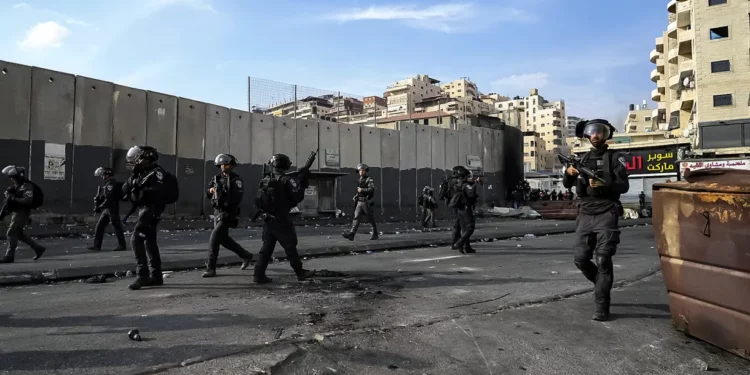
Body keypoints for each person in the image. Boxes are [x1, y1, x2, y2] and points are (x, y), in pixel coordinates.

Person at [563, 119, 629, 321]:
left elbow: (623, 186)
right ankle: (601, 285)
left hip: (606, 211)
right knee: (581, 259)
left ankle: (602, 305)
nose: (595, 136)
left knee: (603, 260)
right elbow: (567, 184)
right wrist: (569, 173)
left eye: (600, 132)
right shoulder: (581, 160)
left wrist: (603, 183)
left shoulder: (615, 158)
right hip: (585, 212)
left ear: (606, 135)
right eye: (591, 132)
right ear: (586, 135)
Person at [253, 154, 315, 283]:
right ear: (285, 165)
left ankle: (258, 274)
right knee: (290, 246)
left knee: (267, 247)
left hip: (267, 218)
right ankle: (300, 272)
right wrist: (303, 181)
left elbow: (258, 200)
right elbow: (297, 198)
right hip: (281, 219)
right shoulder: (286, 180)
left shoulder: (265, 179)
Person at [122, 145, 173, 290]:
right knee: (149, 242)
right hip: (144, 210)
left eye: (139, 158)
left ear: (148, 158)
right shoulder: (141, 173)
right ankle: (156, 276)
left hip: (152, 210)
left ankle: (142, 275)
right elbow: (124, 190)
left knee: (136, 238)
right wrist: (134, 176)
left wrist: (141, 189)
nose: (137, 161)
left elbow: (157, 192)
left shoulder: (157, 173)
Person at [203, 154, 253, 278]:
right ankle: (245, 255)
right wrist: (211, 191)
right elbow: (207, 193)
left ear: (231, 165)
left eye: (226, 164)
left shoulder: (236, 180)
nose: (224, 167)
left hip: (228, 213)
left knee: (214, 239)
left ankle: (211, 268)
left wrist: (224, 194)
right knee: (223, 239)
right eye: (222, 165)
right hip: (217, 212)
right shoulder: (216, 178)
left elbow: (236, 198)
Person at [0, 165, 46, 263]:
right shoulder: (18, 186)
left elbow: (27, 200)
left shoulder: (27, 186)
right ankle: (38, 248)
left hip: (22, 212)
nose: (12, 180)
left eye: (13, 178)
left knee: (11, 232)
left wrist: (12, 198)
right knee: (18, 233)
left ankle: (9, 256)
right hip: (17, 211)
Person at [88, 167, 127, 252]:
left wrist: (100, 206)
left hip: (112, 209)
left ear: (107, 175)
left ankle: (122, 245)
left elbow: (109, 199)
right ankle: (97, 245)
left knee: (117, 227)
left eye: (103, 175)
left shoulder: (110, 184)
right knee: (99, 226)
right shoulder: (108, 184)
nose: (102, 177)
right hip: (108, 210)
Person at [448, 166, 481, 254]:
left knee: (463, 227)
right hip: (465, 208)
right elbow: (471, 194)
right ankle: (460, 243)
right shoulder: (465, 185)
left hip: (458, 208)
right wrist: (474, 185)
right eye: (467, 176)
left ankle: (465, 247)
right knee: (470, 227)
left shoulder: (455, 183)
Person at [342, 164, 378, 241]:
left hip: (366, 201)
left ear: (365, 171)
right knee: (356, 218)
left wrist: (362, 190)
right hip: (359, 201)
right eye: (360, 170)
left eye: (362, 170)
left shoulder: (369, 179)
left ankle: (375, 233)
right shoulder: (360, 180)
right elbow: (359, 191)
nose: (361, 172)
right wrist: (356, 196)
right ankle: (352, 234)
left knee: (370, 218)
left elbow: (371, 189)